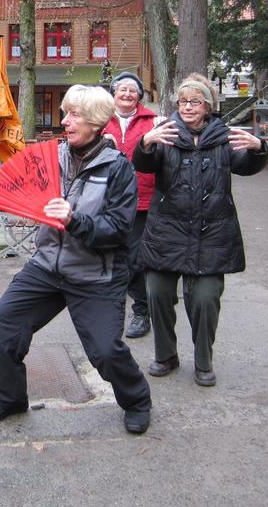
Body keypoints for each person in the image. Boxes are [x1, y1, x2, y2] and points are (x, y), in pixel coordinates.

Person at [0, 84, 153, 435]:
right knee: (5, 320)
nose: (64, 120)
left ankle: (137, 400)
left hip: (95, 274)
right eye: (65, 113)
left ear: (97, 122)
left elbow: (118, 230)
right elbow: (12, 194)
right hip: (48, 266)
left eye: (74, 115)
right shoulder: (53, 156)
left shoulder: (118, 169)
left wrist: (74, 220)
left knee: (105, 351)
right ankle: (9, 397)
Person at [133, 73, 266, 388]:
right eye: (183, 101)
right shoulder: (164, 132)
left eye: (195, 101)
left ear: (208, 106)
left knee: (205, 298)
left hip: (212, 234)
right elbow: (144, 164)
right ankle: (166, 355)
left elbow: (246, 165)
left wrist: (259, 149)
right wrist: (145, 144)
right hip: (167, 232)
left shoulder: (223, 137)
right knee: (157, 292)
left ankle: (203, 359)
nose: (187, 107)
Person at [102, 71, 157, 339]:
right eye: (122, 89)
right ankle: (107, 306)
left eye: (132, 90)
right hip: (106, 198)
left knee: (135, 258)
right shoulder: (100, 118)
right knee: (110, 253)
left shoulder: (152, 121)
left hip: (142, 199)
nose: (127, 94)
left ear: (139, 96)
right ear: (113, 93)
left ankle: (142, 311)